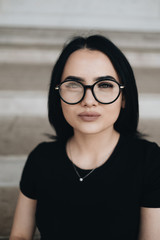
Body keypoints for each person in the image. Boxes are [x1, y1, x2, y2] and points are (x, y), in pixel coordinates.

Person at [10, 35, 160, 240]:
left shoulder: (149, 160)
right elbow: (19, 235)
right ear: (58, 94)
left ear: (124, 97)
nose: (89, 101)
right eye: (73, 84)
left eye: (105, 85)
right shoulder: (41, 158)